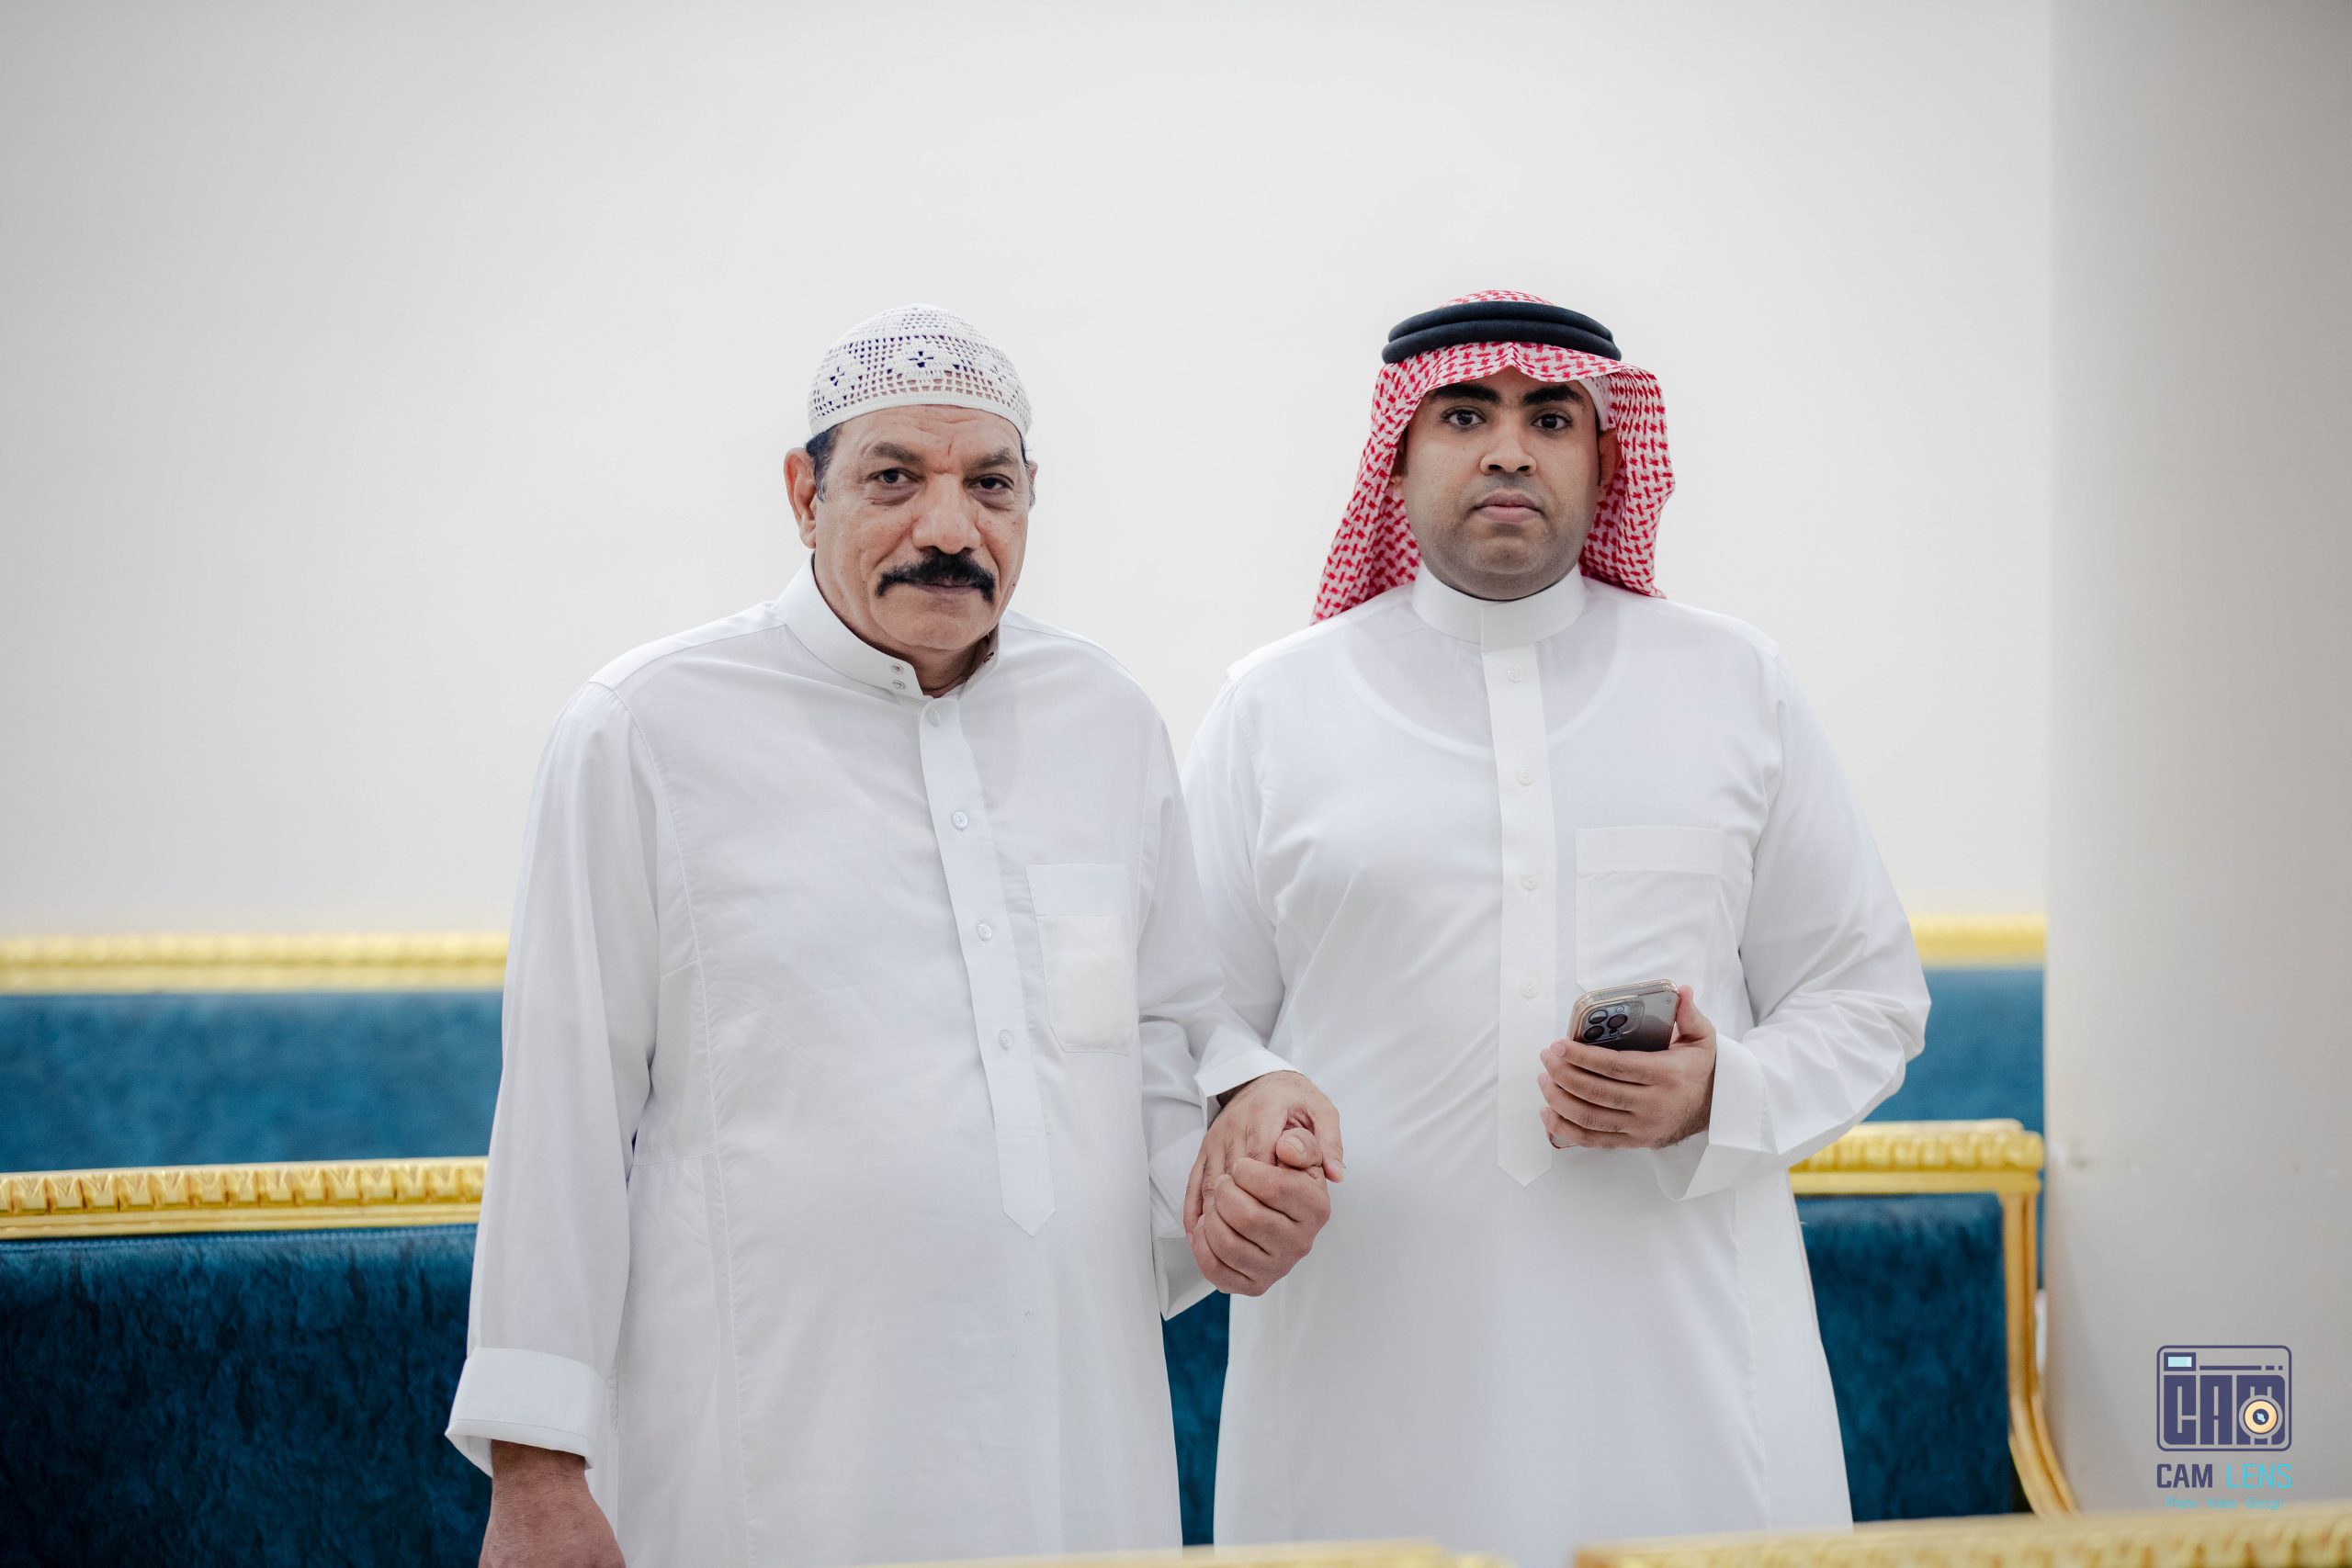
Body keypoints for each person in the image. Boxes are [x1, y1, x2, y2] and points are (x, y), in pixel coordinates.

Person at [449, 304, 1344, 1567]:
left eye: (990, 485)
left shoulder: (1105, 720)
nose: (948, 527)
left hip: (1074, 1443)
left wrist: (1232, 1160)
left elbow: (1160, 1041)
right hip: (774, 1449)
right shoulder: (645, 728)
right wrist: (537, 1472)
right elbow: (564, 1113)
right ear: (801, 494)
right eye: (893, 479)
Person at [1183, 290, 1929, 1565]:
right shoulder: (1273, 708)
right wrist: (1245, 1098)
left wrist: (1717, 1096)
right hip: (1367, 1371)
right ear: (1398, 457)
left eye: (1551, 418)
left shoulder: (1734, 685)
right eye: (1465, 416)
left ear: (1606, 456)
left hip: (1687, 1373)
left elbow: (1869, 998)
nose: (1510, 450)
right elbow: (1188, 1019)